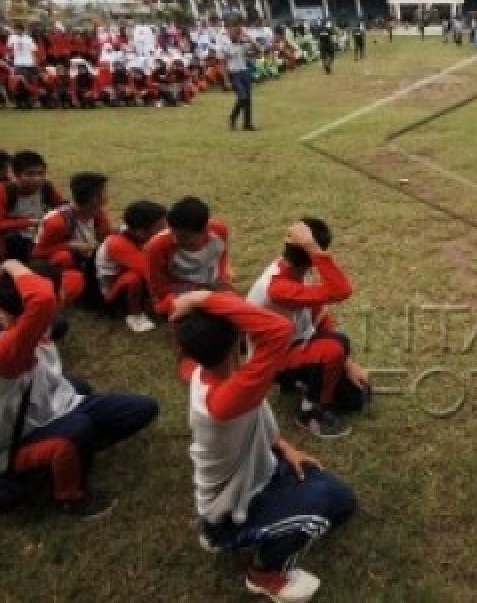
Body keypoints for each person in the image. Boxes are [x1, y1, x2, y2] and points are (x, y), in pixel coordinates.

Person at [174, 288, 356, 601]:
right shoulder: (225, 400)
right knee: (323, 505)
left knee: (342, 501)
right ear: (236, 343)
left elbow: (257, 415)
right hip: (228, 512)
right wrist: (202, 297)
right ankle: (264, 574)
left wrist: (285, 448)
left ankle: (268, 523)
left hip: (262, 474)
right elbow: (278, 330)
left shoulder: (214, 377)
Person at [0, 259, 159, 517]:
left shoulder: (37, 329)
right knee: (77, 428)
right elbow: (41, 297)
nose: (64, 294)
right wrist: (10, 264)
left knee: (141, 409)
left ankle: (75, 452)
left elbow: (48, 295)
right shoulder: (9, 348)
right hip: (23, 440)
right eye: (59, 290)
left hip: (59, 405)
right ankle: (70, 496)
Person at [246, 219, 367, 438]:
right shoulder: (277, 287)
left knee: (357, 398)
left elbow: (319, 317)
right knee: (334, 348)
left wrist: (349, 365)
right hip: (270, 361)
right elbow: (342, 290)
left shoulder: (298, 271)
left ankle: (301, 382)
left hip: (295, 346)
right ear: (312, 256)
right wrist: (314, 249)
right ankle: (311, 412)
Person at [144, 196, 232, 317]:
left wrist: (221, 279)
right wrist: (198, 288)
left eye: (184, 237)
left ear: (204, 229)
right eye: (173, 232)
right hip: (176, 295)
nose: (176, 239)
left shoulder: (219, 230)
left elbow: (221, 258)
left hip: (211, 287)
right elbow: (158, 289)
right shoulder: (156, 247)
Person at [94, 200, 167, 334]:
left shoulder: (135, 233)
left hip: (134, 275)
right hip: (113, 292)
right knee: (134, 278)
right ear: (140, 231)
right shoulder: (118, 243)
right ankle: (135, 315)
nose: (165, 230)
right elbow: (149, 272)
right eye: (160, 226)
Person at [0, 150, 66, 262]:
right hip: (12, 242)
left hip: (40, 236)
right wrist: (31, 222)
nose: (37, 179)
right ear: (17, 175)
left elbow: (62, 207)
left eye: (41, 173)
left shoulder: (46, 187)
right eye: (30, 174)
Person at [218, 22, 256, 131]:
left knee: (248, 99)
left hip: (244, 72)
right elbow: (222, 64)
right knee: (242, 97)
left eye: (238, 32)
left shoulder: (242, 44)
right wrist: (226, 81)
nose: (237, 34)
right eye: (235, 32)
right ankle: (232, 117)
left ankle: (247, 124)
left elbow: (257, 48)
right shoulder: (225, 47)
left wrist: (248, 36)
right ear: (229, 34)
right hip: (234, 74)